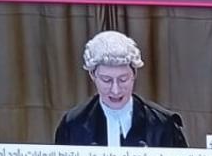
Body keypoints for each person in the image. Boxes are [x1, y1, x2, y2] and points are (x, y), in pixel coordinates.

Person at [54, 30, 187, 147]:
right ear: (92, 75)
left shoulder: (163, 125)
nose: (115, 90)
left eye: (123, 79)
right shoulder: (73, 124)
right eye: (106, 80)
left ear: (134, 74)